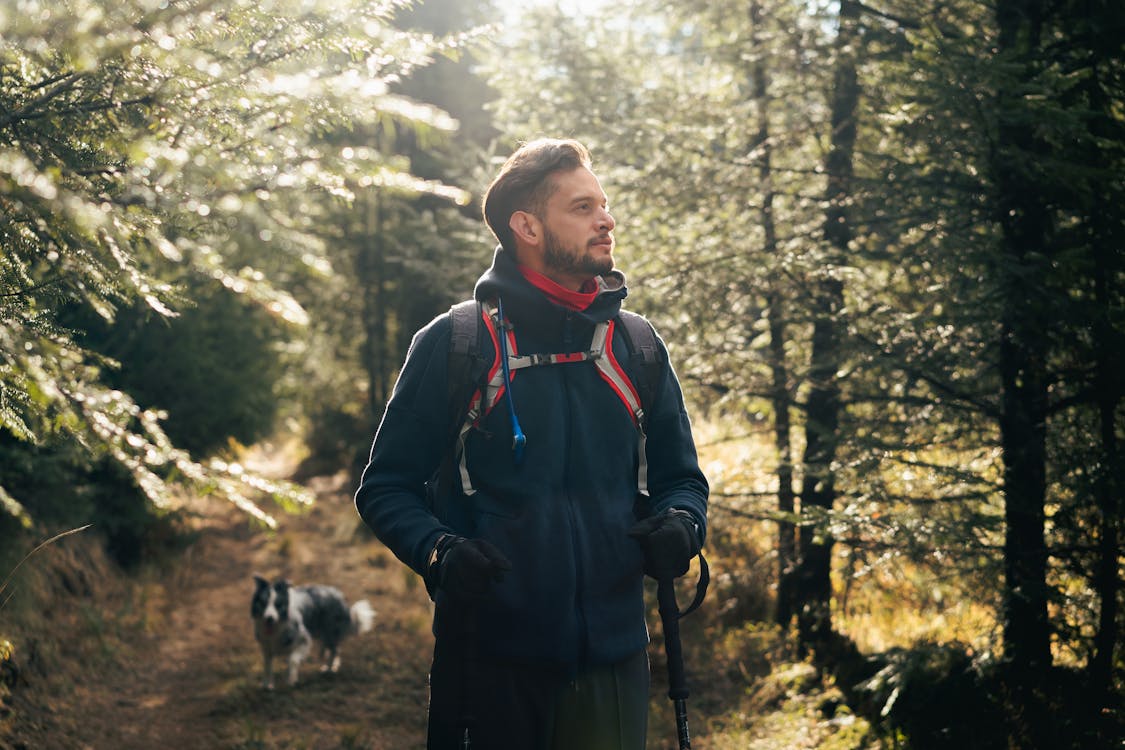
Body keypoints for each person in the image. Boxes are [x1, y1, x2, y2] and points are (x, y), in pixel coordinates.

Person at [354, 138, 708, 749]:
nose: (607, 219)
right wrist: (440, 552)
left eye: (604, 203)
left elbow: (684, 478)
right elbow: (385, 488)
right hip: (488, 661)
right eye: (581, 207)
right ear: (527, 226)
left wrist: (683, 524)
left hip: (615, 662)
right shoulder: (456, 343)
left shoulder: (636, 346)